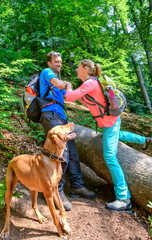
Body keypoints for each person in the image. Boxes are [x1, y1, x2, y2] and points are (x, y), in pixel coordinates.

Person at [65, 59, 152, 213]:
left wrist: (67, 85)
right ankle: (144, 140)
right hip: (110, 122)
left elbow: (70, 97)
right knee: (116, 135)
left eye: (78, 67)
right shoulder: (91, 83)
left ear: (85, 68)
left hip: (110, 121)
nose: (76, 70)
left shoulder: (90, 83)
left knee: (110, 156)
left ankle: (124, 198)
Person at [39, 52, 96, 211]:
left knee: (72, 151)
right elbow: (62, 84)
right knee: (60, 152)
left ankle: (77, 186)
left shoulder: (58, 80)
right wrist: (69, 84)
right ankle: (56, 189)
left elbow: (72, 96)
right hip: (50, 115)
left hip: (61, 118)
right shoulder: (47, 73)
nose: (59, 64)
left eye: (61, 62)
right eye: (56, 61)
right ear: (49, 63)